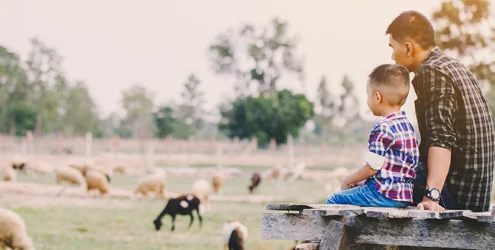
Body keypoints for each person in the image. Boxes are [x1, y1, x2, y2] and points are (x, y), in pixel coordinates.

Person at [386, 11, 494, 212]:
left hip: (455, 196)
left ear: (408, 48)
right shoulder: (452, 66)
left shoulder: (432, 71)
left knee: (384, 178)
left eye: (393, 47)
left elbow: (441, 138)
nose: (392, 56)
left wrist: (431, 197)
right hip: (474, 196)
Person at [326, 64, 419, 208]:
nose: (367, 99)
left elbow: (373, 167)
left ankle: (349, 232)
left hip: (383, 195)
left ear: (377, 97)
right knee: (359, 191)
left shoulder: (382, 128)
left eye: (367, 94)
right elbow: (393, 170)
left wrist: (348, 179)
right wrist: (362, 182)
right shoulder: (407, 126)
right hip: (404, 196)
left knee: (334, 199)